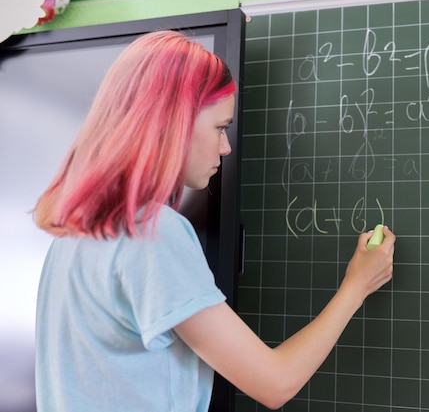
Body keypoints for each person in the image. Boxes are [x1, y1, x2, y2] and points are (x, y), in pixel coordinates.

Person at [33, 30, 396, 412]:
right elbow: (276, 383)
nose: (225, 146)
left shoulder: (75, 231)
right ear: (174, 122)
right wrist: (356, 286)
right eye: (220, 127)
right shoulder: (152, 233)